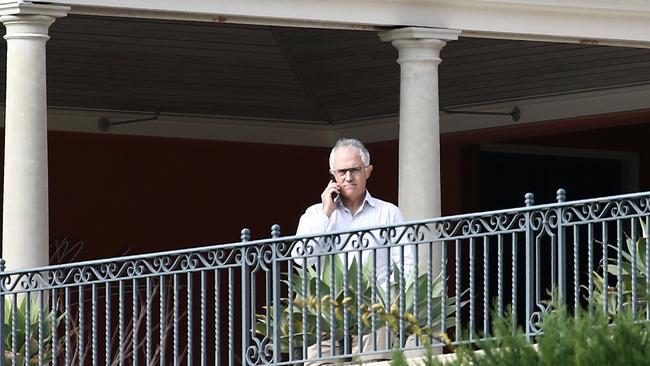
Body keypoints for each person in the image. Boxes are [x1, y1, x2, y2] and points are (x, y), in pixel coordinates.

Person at [293, 138, 415, 363]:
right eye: (342, 171)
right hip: (326, 308)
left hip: (374, 308)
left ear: (368, 171)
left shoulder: (388, 213)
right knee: (322, 362)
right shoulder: (315, 214)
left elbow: (405, 263)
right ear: (332, 175)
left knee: (373, 362)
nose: (348, 177)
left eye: (354, 170)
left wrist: (385, 296)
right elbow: (301, 258)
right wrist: (325, 213)